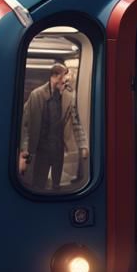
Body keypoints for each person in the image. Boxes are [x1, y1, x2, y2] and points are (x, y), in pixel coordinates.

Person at [18, 63, 87, 191]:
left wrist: (82, 145)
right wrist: (24, 150)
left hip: (59, 150)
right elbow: (25, 125)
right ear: (55, 77)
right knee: (38, 184)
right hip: (40, 150)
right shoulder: (36, 95)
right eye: (63, 78)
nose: (66, 81)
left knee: (57, 185)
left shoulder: (68, 97)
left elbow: (76, 122)